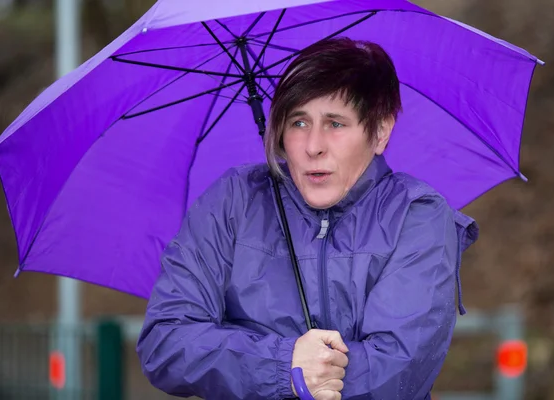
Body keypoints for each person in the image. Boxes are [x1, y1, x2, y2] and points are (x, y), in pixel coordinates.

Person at [136, 37, 479, 400]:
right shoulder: (233, 201)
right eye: (298, 123)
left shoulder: (417, 216)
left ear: (380, 131)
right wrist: (284, 366)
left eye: (335, 123)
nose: (313, 146)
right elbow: (167, 341)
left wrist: (312, 374)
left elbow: (398, 370)